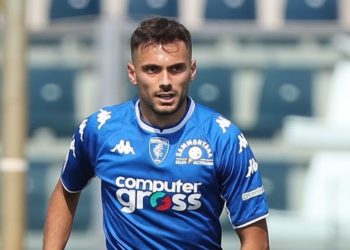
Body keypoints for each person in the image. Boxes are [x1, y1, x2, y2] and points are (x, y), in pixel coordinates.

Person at [43, 17, 269, 250]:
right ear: (132, 73)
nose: (165, 82)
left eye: (176, 69)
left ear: (192, 70)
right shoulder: (100, 130)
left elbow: (256, 238)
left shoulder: (223, 138)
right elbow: (66, 191)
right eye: (152, 69)